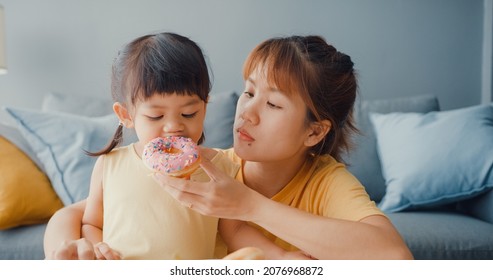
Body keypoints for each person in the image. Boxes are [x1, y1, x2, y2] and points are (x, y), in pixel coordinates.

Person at [44, 35, 413, 260]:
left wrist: (250, 206)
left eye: (272, 104)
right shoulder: (208, 164)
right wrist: (67, 255)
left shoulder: (325, 183)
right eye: (249, 92)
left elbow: (393, 258)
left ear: (314, 132)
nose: (246, 113)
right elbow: (78, 216)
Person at [55, 32, 275, 260]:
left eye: (189, 113)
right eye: (156, 116)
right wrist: (97, 246)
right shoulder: (110, 165)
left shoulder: (222, 167)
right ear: (126, 115)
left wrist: (281, 257)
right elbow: (91, 223)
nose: (173, 127)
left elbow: (235, 231)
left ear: (205, 107)